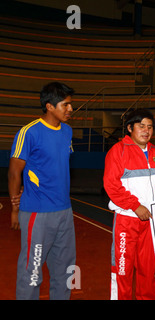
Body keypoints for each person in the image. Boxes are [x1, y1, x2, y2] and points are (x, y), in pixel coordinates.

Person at [8, 82, 76, 300]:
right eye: (65, 105)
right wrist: (15, 209)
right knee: (32, 271)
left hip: (64, 211)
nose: (70, 109)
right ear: (49, 106)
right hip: (37, 213)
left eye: (70, 105)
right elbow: (14, 173)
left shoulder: (67, 131)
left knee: (65, 270)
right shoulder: (29, 132)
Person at [103, 108, 155, 300]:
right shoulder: (118, 151)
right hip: (126, 220)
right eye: (141, 126)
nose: (146, 130)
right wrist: (135, 206)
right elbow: (111, 185)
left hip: (151, 222)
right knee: (123, 269)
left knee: (148, 270)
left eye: (150, 127)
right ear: (130, 128)